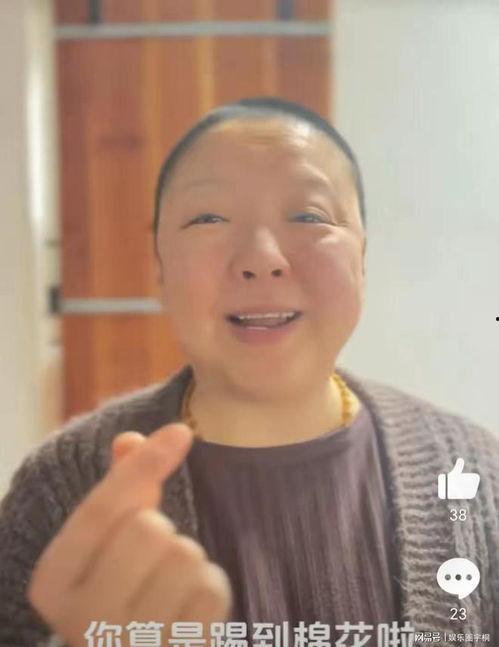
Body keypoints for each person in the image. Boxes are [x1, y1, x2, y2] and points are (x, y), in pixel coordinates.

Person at [0, 96, 498, 647]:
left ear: (362, 258)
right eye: (208, 218)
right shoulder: (60, 491)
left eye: (309, 216)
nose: (262, 258)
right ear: (160, 267)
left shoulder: (475, 475)